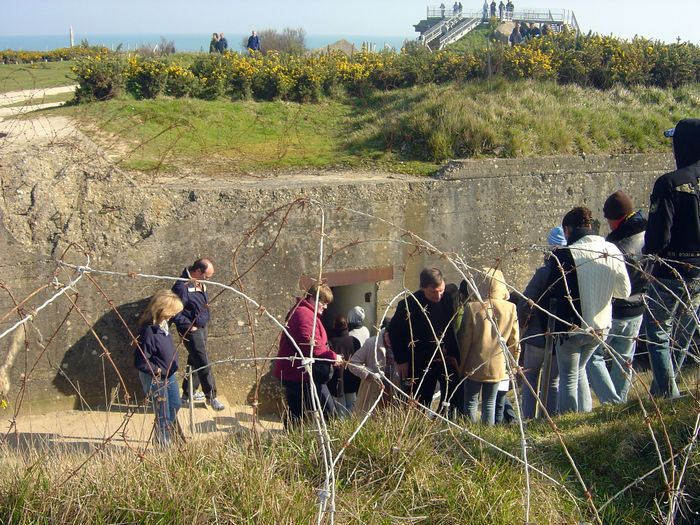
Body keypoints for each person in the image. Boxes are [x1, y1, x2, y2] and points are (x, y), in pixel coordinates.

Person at [541, 207, 631, 413]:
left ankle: (568, 418)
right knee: (580, 369)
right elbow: (624, 291)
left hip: (571, 327)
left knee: (569, 377)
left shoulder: (564, 255)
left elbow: (550, 295)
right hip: (601, 326)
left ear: (567, 230)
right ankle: (584, 414)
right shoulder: (611, 249)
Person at [643, 118, 700, 398]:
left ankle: (667, 393)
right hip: (699, 273)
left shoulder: (669, 184)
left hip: (671, 270)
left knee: (657, 333)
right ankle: (664, 389)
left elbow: (658, 237)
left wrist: (649, 258)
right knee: (683, 334)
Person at [586, 191, 648, 404]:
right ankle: (620, 399)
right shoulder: (646, 233)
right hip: (639, 306)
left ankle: (611, 401)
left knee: (593, 355)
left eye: (609, 219)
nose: (608, 224)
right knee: (625, 358)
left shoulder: (617, 245)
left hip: (618, 309)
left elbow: (615, 283)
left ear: (617, 218)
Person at [389, 267, 460, 413]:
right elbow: (394, 332)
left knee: (452, 398)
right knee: (420, 400)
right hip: (421, 360)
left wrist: (454, 354)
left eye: (441, 290)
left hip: (446, 357)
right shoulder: (408, 304)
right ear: (423, 288)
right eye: (433, 292)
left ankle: (445, 421)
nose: (438, 295)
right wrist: (401, 360)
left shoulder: (449, 297)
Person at [273, 283, 342, 426]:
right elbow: (310, 345)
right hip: (301, 374)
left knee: (296, 413)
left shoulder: (304, 312)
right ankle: (330, 437)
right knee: (328, 412)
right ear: (312, 298)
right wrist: (333, 356)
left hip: (295, 372)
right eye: (323, 302)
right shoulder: (304, 315)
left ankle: (293, 436)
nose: (325, 306)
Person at [458, 268, 520, 425]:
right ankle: (487, 433)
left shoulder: (472, 307)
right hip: (498, 364)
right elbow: (514, 340)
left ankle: (469, 432)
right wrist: (513, 364)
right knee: (490, 403)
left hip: (474, 363)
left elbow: (465, 340)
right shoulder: (511, 308)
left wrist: (461, 365)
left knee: (471, 402)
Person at [518, 226, 566, 419]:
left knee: (530, 378)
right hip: (559, 337)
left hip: (536, 335)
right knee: (552, 381)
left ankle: (528, 419)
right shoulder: (571, 272)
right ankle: (548, 419)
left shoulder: (543, 272)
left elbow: (526, 302)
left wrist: (524, 324)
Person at [172, 258, 224, 411]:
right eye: (206, 276)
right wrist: (189, 327)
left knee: (195, 359)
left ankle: (188, 393)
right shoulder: (182, 287)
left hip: (202, 326)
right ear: (198, 271)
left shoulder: (198, 282)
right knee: (203, 360)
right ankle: (211, 396)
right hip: (191, 330)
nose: (207, 280)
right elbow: (174, 312)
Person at [134, 290, 184, 446]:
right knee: (163, 412)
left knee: (175, 404)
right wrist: (157, 370)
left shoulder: (163, 325)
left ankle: (164, 434)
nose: (173, 315)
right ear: (162, 310)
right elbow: (141, 361)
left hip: (169, 375)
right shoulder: (149, 331)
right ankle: (163, 444)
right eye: (172, 312)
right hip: (156, 377)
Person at [349, 323, 401, 416]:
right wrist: (369, 374)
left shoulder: (401, 346)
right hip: (372, 393)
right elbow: (353, 363)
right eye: (389, 337)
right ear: (385, 333)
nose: (391, 341)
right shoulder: (371, 343)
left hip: (393, 394)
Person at [328, 314, 360, 416]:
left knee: (340, 412)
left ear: (334, 325)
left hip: (337, 381)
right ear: (346, 325)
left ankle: (343, 426)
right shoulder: (354, 341)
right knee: (352, 408)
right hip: (352, 379)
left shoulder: (330, 342)